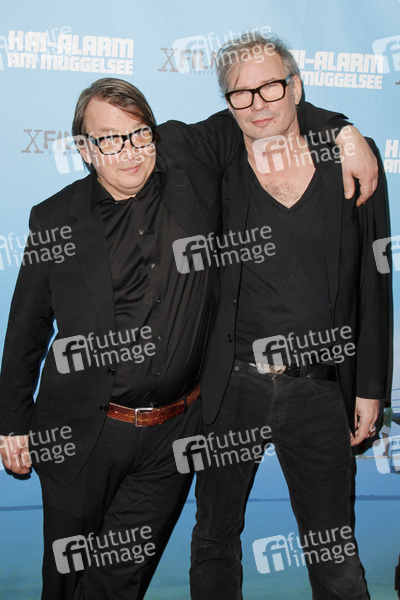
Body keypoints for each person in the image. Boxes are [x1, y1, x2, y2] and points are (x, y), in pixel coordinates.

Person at [0, 75, 377, 600]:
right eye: (110, 139)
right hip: (83, 432)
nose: (130, 150)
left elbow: (262, 106)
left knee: (121, 579)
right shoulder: (54, 219)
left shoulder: (189, 169)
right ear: (85, 150)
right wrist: (12, 424)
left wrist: (344, 132)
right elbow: (27, 329)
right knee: (67, 579)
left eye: (140, 134)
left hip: (171, 437)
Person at [190, 33, 391, 600]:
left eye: (272, 87)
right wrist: (342, 124)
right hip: (231, 386)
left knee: (334, 551)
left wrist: (370, 387)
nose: (259, 103)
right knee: (213, 538)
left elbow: (374, 283)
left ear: (296, 87)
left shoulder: (350, 160)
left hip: (321, 388)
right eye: (241, 93)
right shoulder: (219, 160)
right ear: (228, 103)